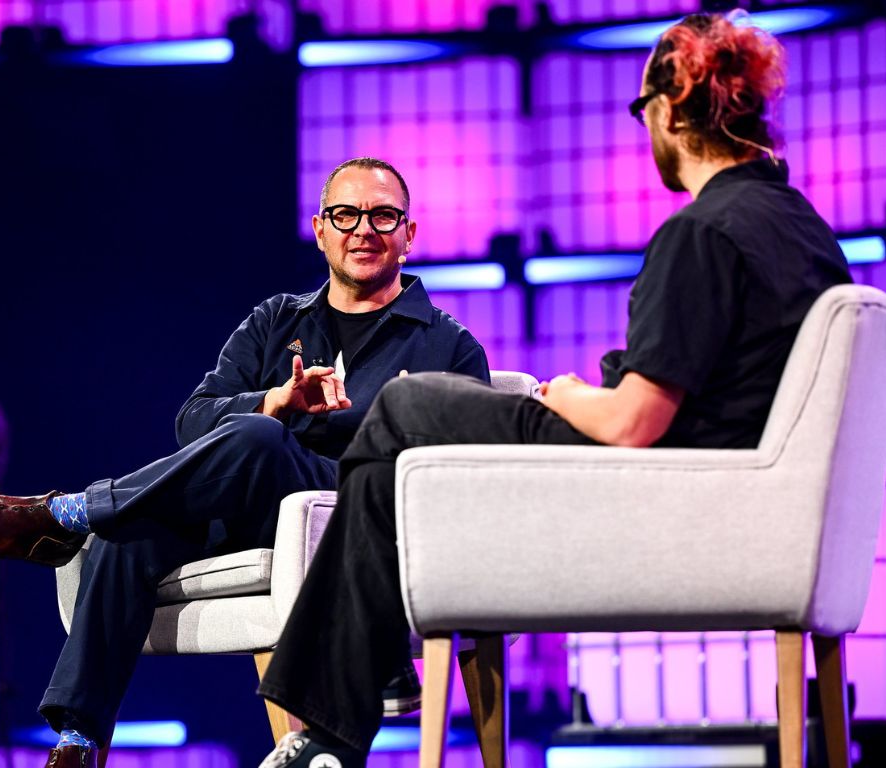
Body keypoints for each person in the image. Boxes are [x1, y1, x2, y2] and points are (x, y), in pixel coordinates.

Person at [255, 13, 854, 767]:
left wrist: (564, 393)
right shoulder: (802, 226)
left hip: (663, 479)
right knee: (385, 464)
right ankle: (336, 728)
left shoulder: (704, 230)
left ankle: (329, 722)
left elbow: (636, 420)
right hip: (738, 487)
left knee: (406, 405)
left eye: (645, 113)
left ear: (670, 109)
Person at [0, 157, 489, 768]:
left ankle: (69, 513)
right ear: (320, 228)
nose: (364, 229)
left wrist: (340, 423)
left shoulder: (450, 346)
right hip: (247, 508)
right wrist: (273, 399)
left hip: (347, 513)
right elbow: (191, 422)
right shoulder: (277, 320)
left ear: (410, 233)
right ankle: (78, 741)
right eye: (346, 214)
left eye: (383, 215)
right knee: (134, 531)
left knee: (257, 440)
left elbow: (458, 471)